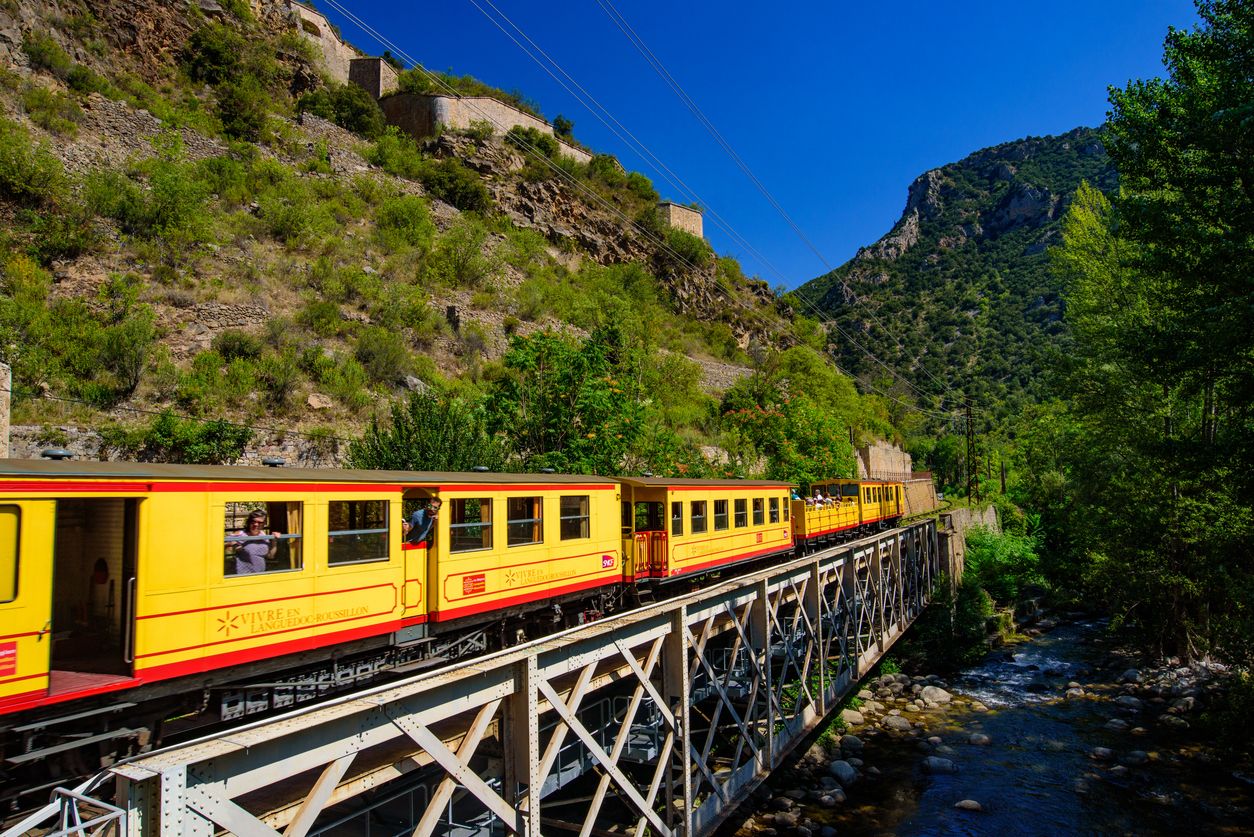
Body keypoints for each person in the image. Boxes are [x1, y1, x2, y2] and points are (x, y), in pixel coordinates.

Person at [231, 509, 277, 575]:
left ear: (264, 524)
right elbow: (221, 543)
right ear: (249, 522)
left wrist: (274, 541)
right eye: (253, 521)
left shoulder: (263, 535)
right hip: (243, 576)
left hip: (260, 574)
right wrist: (234, 545)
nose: (256, 524)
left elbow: (270, 556)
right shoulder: (241, 534)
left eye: (260, 522)